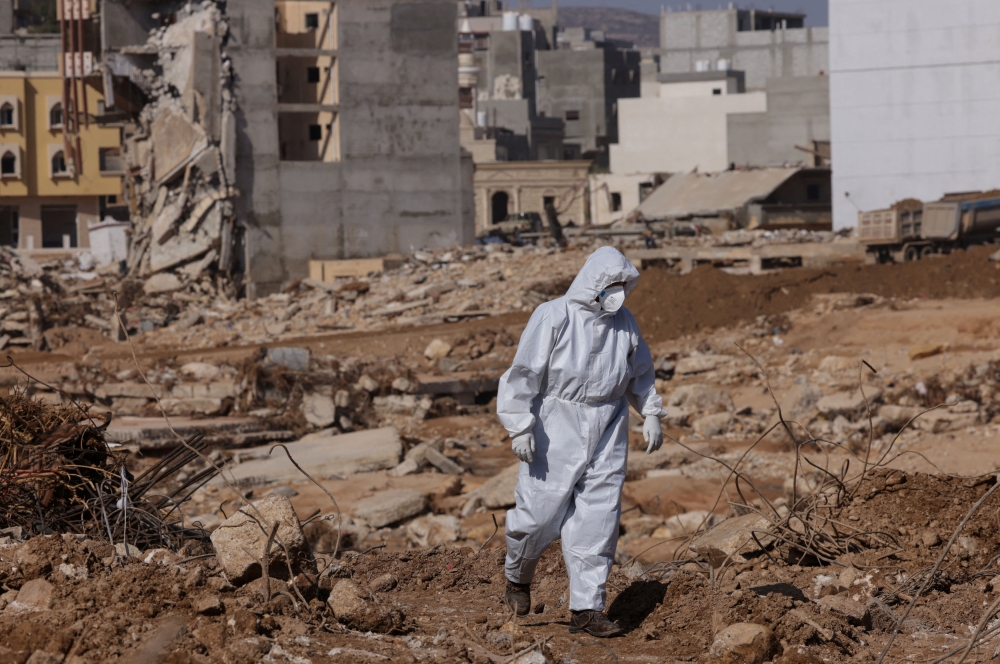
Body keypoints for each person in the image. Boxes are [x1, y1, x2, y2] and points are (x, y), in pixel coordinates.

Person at [495, 246, 666, 637]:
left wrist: (651, 411)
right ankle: (518, 576)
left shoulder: (625, 322)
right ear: (593, 283)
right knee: (539, 513)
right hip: (556, 422)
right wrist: (520, 426)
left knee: (598, 516)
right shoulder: (554, 315)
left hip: (609, 422)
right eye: (611, 284)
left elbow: (640, 371)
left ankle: (587, 609)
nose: (618, 291)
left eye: (623, 284)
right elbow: (522, 373)